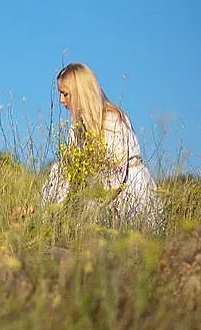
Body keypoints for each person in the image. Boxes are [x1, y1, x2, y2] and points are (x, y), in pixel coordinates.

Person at [42, 62, 163, 230]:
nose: (61, 100)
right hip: (100, 194)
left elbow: (117, 176)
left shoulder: (112, 120)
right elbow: (71, 171)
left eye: (65, 94)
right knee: (59, 170)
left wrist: (88, 198)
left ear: (80, 93)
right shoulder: (77, 128)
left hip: (128, 194)